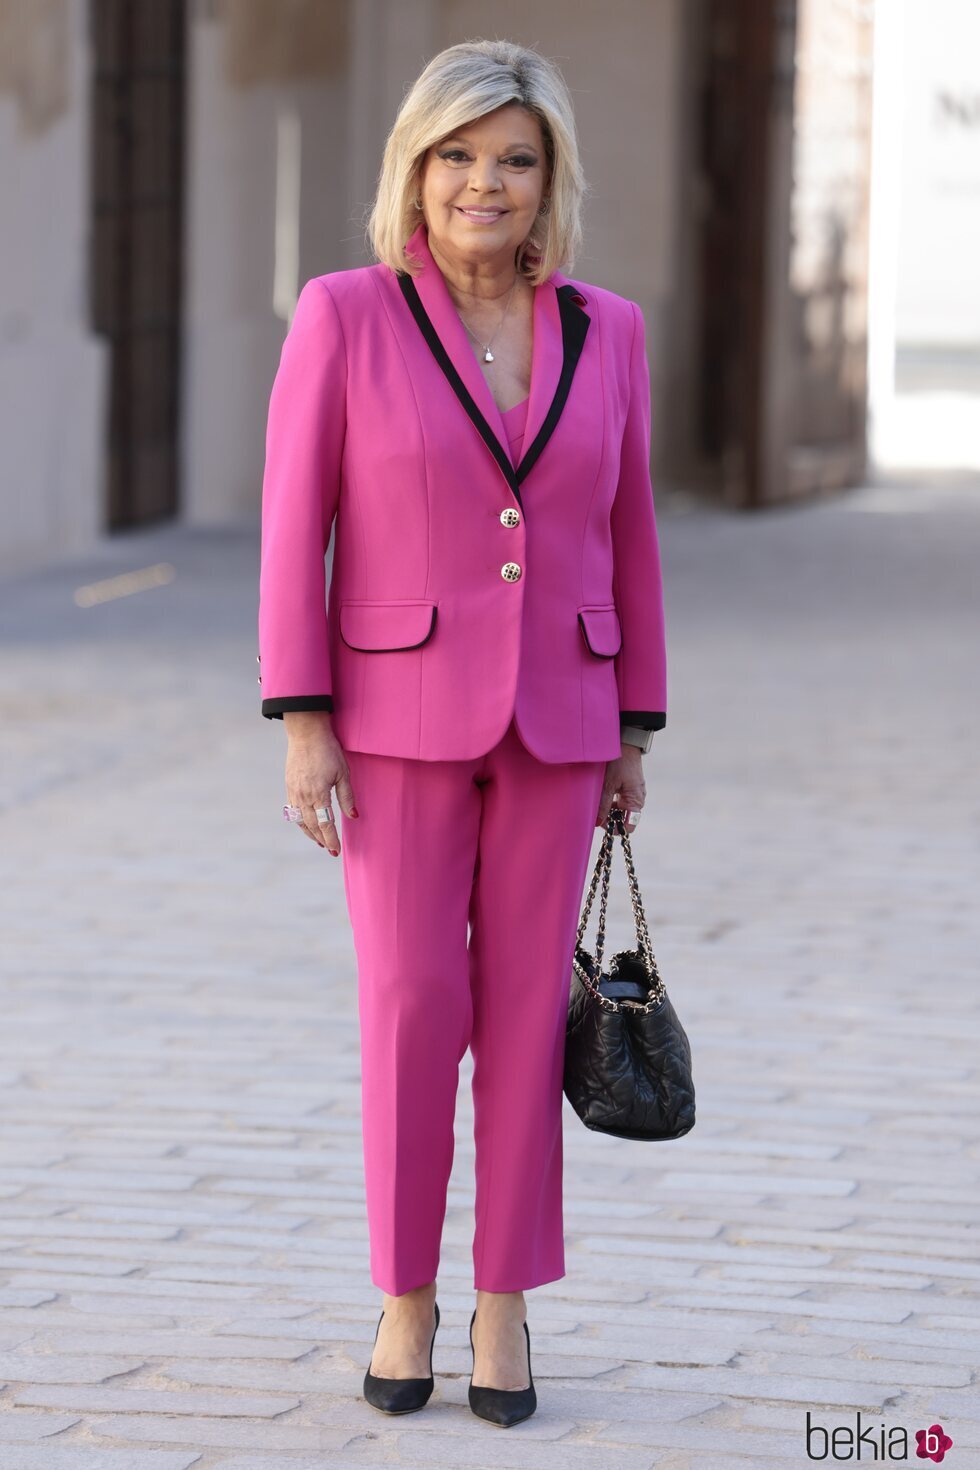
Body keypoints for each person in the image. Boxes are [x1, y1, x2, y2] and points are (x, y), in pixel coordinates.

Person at [257, 37, 667, 1426]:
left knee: (516, 1016)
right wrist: (303, 717)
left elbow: (631, 534)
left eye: (513, 159)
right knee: (413, 1002)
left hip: (560, 715)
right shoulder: (344, 316)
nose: (483, 183)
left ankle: (502, 1303)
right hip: (390, 716)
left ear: (549, 178)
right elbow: (290, 527)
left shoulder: (608, 330)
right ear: (414, 170)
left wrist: (635, 724)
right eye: (457, 156)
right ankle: (403, 1294)